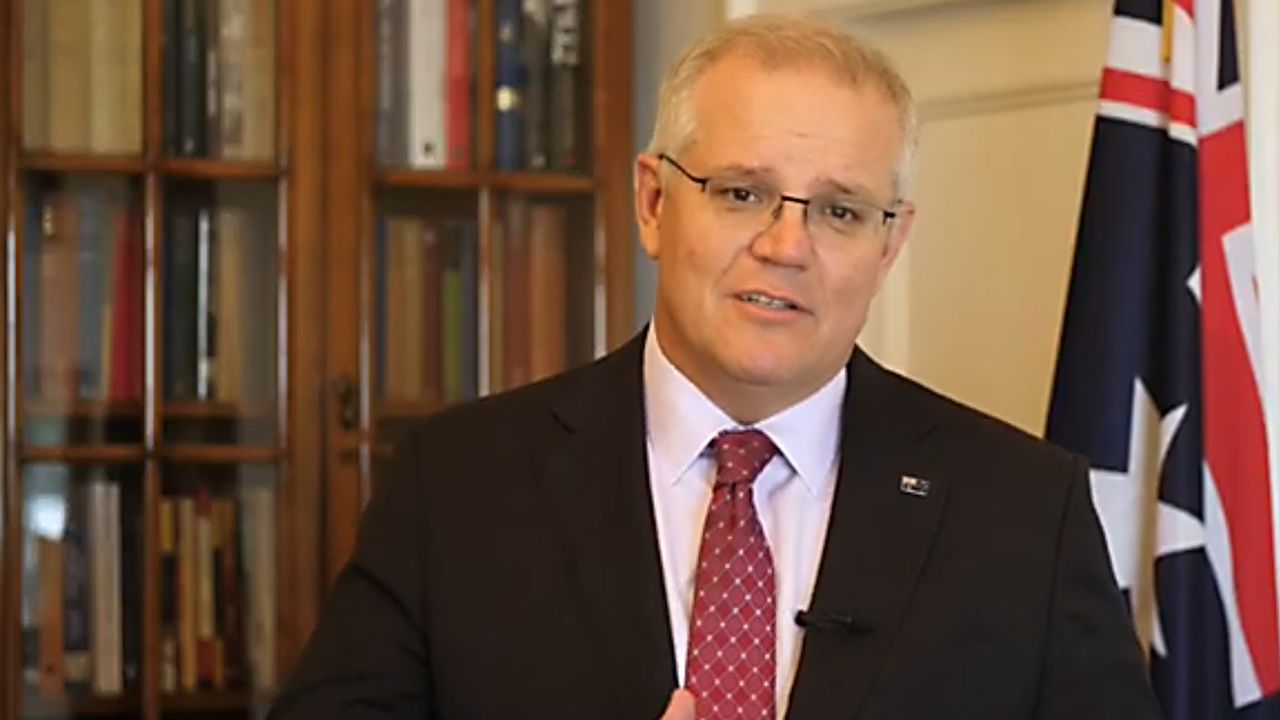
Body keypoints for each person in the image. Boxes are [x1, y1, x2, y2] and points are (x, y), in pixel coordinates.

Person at [269, 14, 1162, 720]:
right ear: (654, 203)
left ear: (891, 245)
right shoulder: (455, 488)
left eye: (841, 212)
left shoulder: (1023, 512)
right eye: (742, 193)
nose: (787, 246)